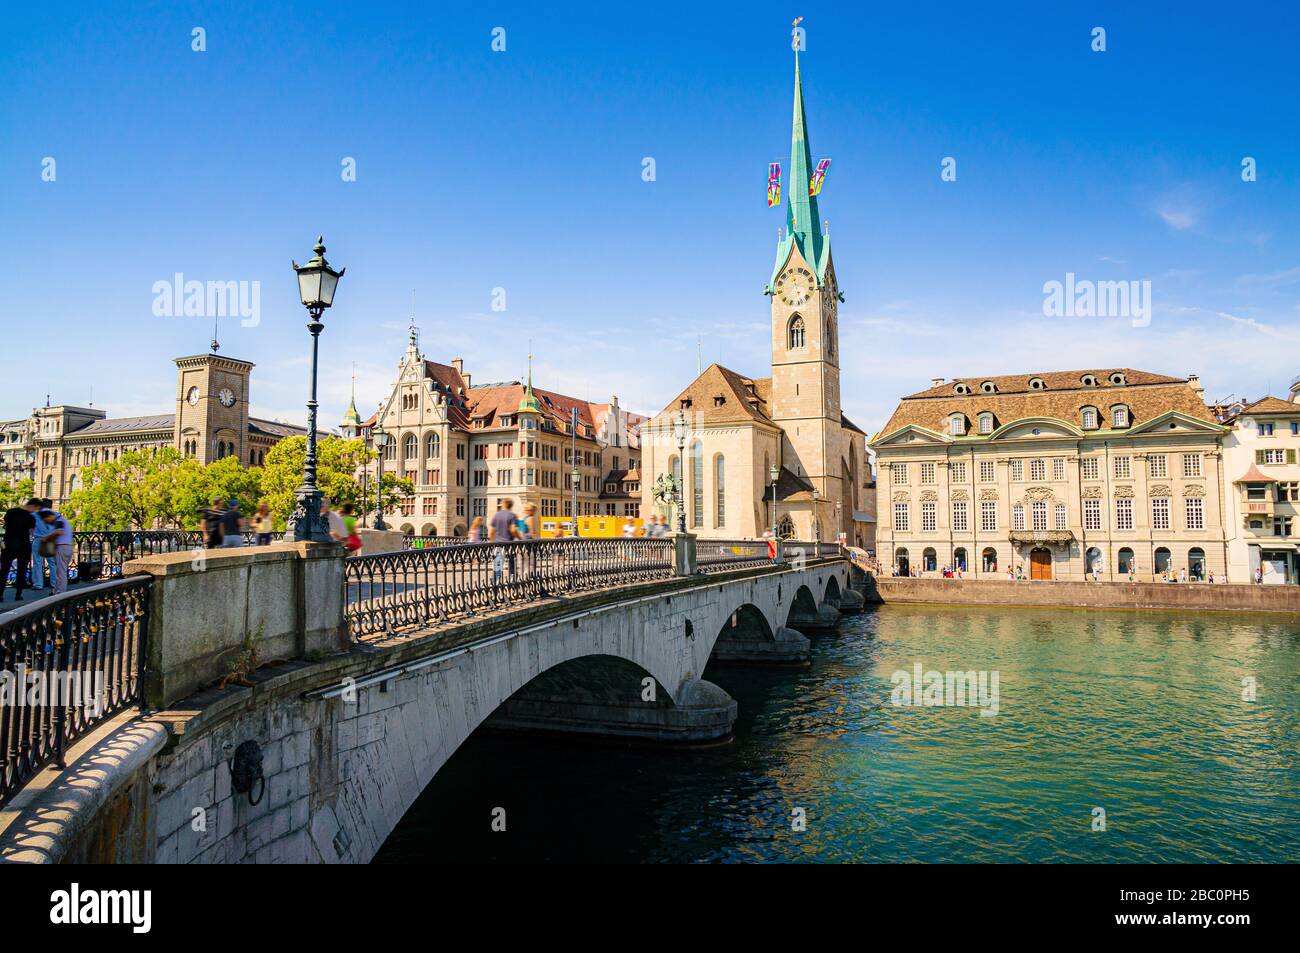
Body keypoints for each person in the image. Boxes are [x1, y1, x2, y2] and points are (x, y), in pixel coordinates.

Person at [1, 498, 39, 602]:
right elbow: (32, 531)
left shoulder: (11, 512)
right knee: (21, 571)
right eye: (35, 509)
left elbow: (5, 523)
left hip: (9, 544)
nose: (35, 511)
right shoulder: (30, 517)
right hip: (24, 546)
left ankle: (0, 594)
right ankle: (18, 594)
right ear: (32, 506)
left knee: (4, 570)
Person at [40, 508, 74, 595]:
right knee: (61, 570)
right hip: (67, 547)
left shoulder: (59, 520)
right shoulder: (62, 520)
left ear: (49, 516)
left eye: (46, 520)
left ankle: (60, 593)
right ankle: (56, 591)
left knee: (61, 572)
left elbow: (59, 532)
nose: (46, 522)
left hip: (62, 547)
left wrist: (46, 538)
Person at [29, 497, 54, 590]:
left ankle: (38, 584)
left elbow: (30, 528)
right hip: (50, 539)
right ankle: (54, 583)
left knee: (37, 562)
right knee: (52, 563)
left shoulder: (34, 515)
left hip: (39, 539)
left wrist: (33, 534)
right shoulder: (55, 514)